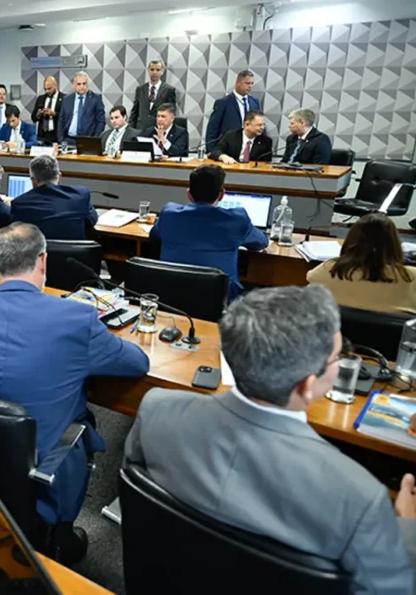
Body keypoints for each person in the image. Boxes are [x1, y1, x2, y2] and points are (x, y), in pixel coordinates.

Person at [124, 285, 416, 594]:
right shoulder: (359, 496)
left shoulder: (155, 409)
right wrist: (407, 529)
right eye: (339, 356)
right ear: (306, 385)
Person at [0, 222, 149, 563]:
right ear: (43, 262)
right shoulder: (77, 317)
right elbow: (137, 364)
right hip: (36, 479)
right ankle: (60, 531)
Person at [150, 164, 268, 300]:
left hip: (171, 298)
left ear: (189, 194)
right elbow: (261, 242)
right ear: (222, 194)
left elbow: (154, 235)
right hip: (219, 301)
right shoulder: (237, 219)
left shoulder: (169, 213)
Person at [307, 213, 416, 315]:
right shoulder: (410, 277)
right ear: (394, 244)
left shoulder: (327, 270)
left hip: (333, 334)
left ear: (351, 240)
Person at [10, 155, 97, 240]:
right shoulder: (80, 195)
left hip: (36, 253)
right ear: (59, 176)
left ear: (33, 181)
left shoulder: (19, 203)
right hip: (74, 254)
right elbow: (91, 220)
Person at [205, 70, 261, 150]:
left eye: (252, 83)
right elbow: (213, 128)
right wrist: (210, 150)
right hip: (229, 148)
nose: (250, 86)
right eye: (247, 83)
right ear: (238, 82)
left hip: (250, 147)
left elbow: (260, 123)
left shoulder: (255, 102)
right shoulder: (223, 103)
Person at [128, 59, 177, 131]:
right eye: (152, 69)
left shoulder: (169, 90)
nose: (154, 72)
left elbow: (171, 112)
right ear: (148, 70)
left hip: (159, 129)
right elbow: (134, 112)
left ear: (162, 72)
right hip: (140, 129)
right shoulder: (140, 89)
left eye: (157, 70)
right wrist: (130, 129)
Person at [57, 72, 106, 144]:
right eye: (79, 84)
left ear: (88, 84)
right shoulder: (67, 99)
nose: (82, 86)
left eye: (84, 83)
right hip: (68, 140)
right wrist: (61, 140)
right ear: (74, 85)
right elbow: (61, 121)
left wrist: (95, 138)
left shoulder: (96, 99)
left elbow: (101, 121)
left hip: (88, 140)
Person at [209, 110, 273, 164]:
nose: (262, 128)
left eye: (263, 125)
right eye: (259, 125)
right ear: (247, 125)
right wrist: (223, 156)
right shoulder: (231, 135)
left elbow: (267, 163)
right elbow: (215, 152)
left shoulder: (266, 141)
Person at [31, 76, 63, 145]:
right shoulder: (40, 99)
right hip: (42, 136)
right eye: (45, 89)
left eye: (49, 89)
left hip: (57, 136)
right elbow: (33, 118)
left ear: (55, 85)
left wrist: (54, 114)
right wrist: (38, 114)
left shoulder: (64, 99)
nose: (47, 91)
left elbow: (66, 118)